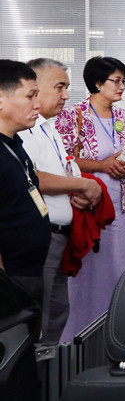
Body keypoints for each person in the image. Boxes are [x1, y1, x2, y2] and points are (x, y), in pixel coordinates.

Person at [18, 58, 102, 344]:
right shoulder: (22, 130)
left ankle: (48, 370)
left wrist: (80, 189)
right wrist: (82, 184)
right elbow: (33, 178)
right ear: (33, 87)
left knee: (56, 313)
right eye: (60, 87)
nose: (66, 95)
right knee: (36, 318)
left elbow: (66, 170)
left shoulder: (48, 126)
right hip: (41, 235)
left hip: (61, 235)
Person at [56, 55, 125, 342]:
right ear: (97, 83)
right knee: (89, 272)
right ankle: (80, 337)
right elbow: (63, 158)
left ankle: (117, 334)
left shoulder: (122, 116)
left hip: (119, 204)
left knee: (119, 267)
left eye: (124, 81)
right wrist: (102, 165)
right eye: (117, 81)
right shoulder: (74, 115)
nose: (122, 86)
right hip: (87, 205)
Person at [0, 60, 50, 304]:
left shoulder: (14, 143)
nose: (37, 104)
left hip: (30, 270)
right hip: (9, 278)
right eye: (30, 96)